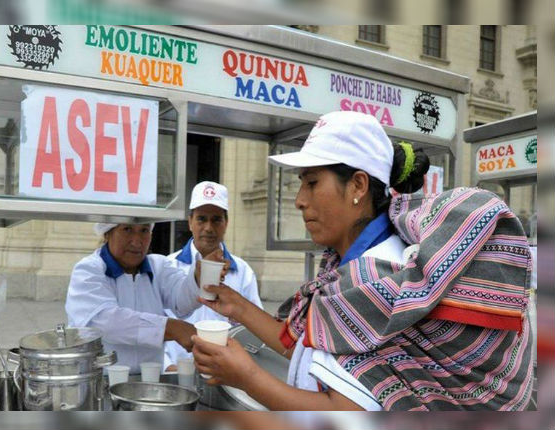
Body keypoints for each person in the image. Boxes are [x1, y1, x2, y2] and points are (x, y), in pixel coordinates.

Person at [191, 111, 534, 411]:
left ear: (357, 185)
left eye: (312, 183)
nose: (299, 200)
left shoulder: (377, 276)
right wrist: (237, 307)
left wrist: (245, 376)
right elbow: (309, 341)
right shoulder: (347, 267)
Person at [65, 222, 227, 373]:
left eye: (144, 231)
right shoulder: (88, 270)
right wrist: (171, 328)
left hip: (149, 380)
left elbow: (181, 301)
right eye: (127, 229)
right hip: (101, 381)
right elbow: (105, 322)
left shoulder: (158, 267)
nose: (137, 241)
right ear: (108, 233)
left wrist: (198, 279)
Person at [163, 181, 263, 370]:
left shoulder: (242, 272)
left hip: (225, 375)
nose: (209, 227)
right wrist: (167, 367)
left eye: (216, 219)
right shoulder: (168, 266)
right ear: (190, 221)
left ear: (226, 223)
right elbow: (156, 324)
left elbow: (253, 331)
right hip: (176, 373)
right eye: (201, 219)